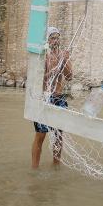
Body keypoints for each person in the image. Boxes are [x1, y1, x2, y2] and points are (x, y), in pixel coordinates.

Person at [31, 27, 73, 169]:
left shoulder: (63, 55)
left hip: (59, 98)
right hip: (43, 98)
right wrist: (52, 72)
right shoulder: (42, 56)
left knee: (58, 135)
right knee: (40, 135)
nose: (56, 41)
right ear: (47, 40)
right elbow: (36, 79)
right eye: (53, 38)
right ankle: (34, 168)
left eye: (57, 38)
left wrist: (64, 60)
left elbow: (70, 76)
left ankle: (56, 166)